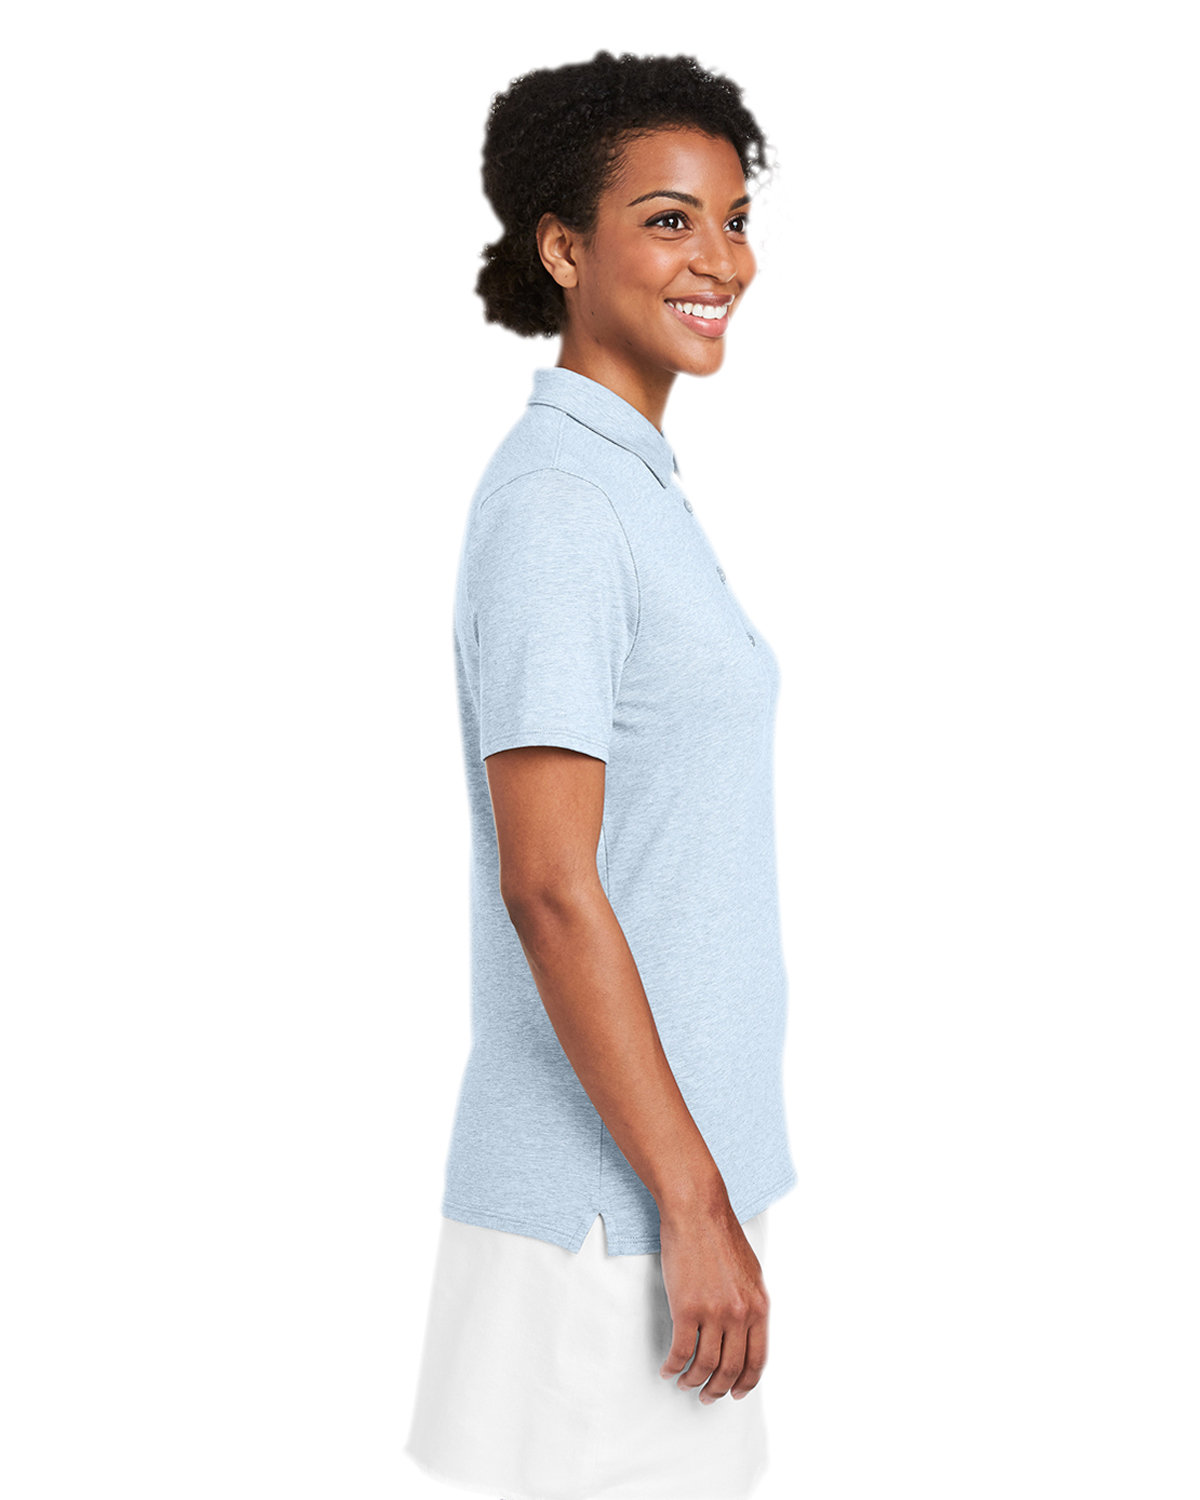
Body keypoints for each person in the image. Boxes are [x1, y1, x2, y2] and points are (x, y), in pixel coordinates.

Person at [404, 50, 797, 1500]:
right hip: (604, 1228)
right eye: (669, 219)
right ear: (565, 249)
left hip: (652, 1210)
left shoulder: (628, 488)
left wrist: (702, 1195)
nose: (721, 260)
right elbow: (551, 886)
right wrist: (687, 1204)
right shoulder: (563, 505)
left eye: (734, 219)